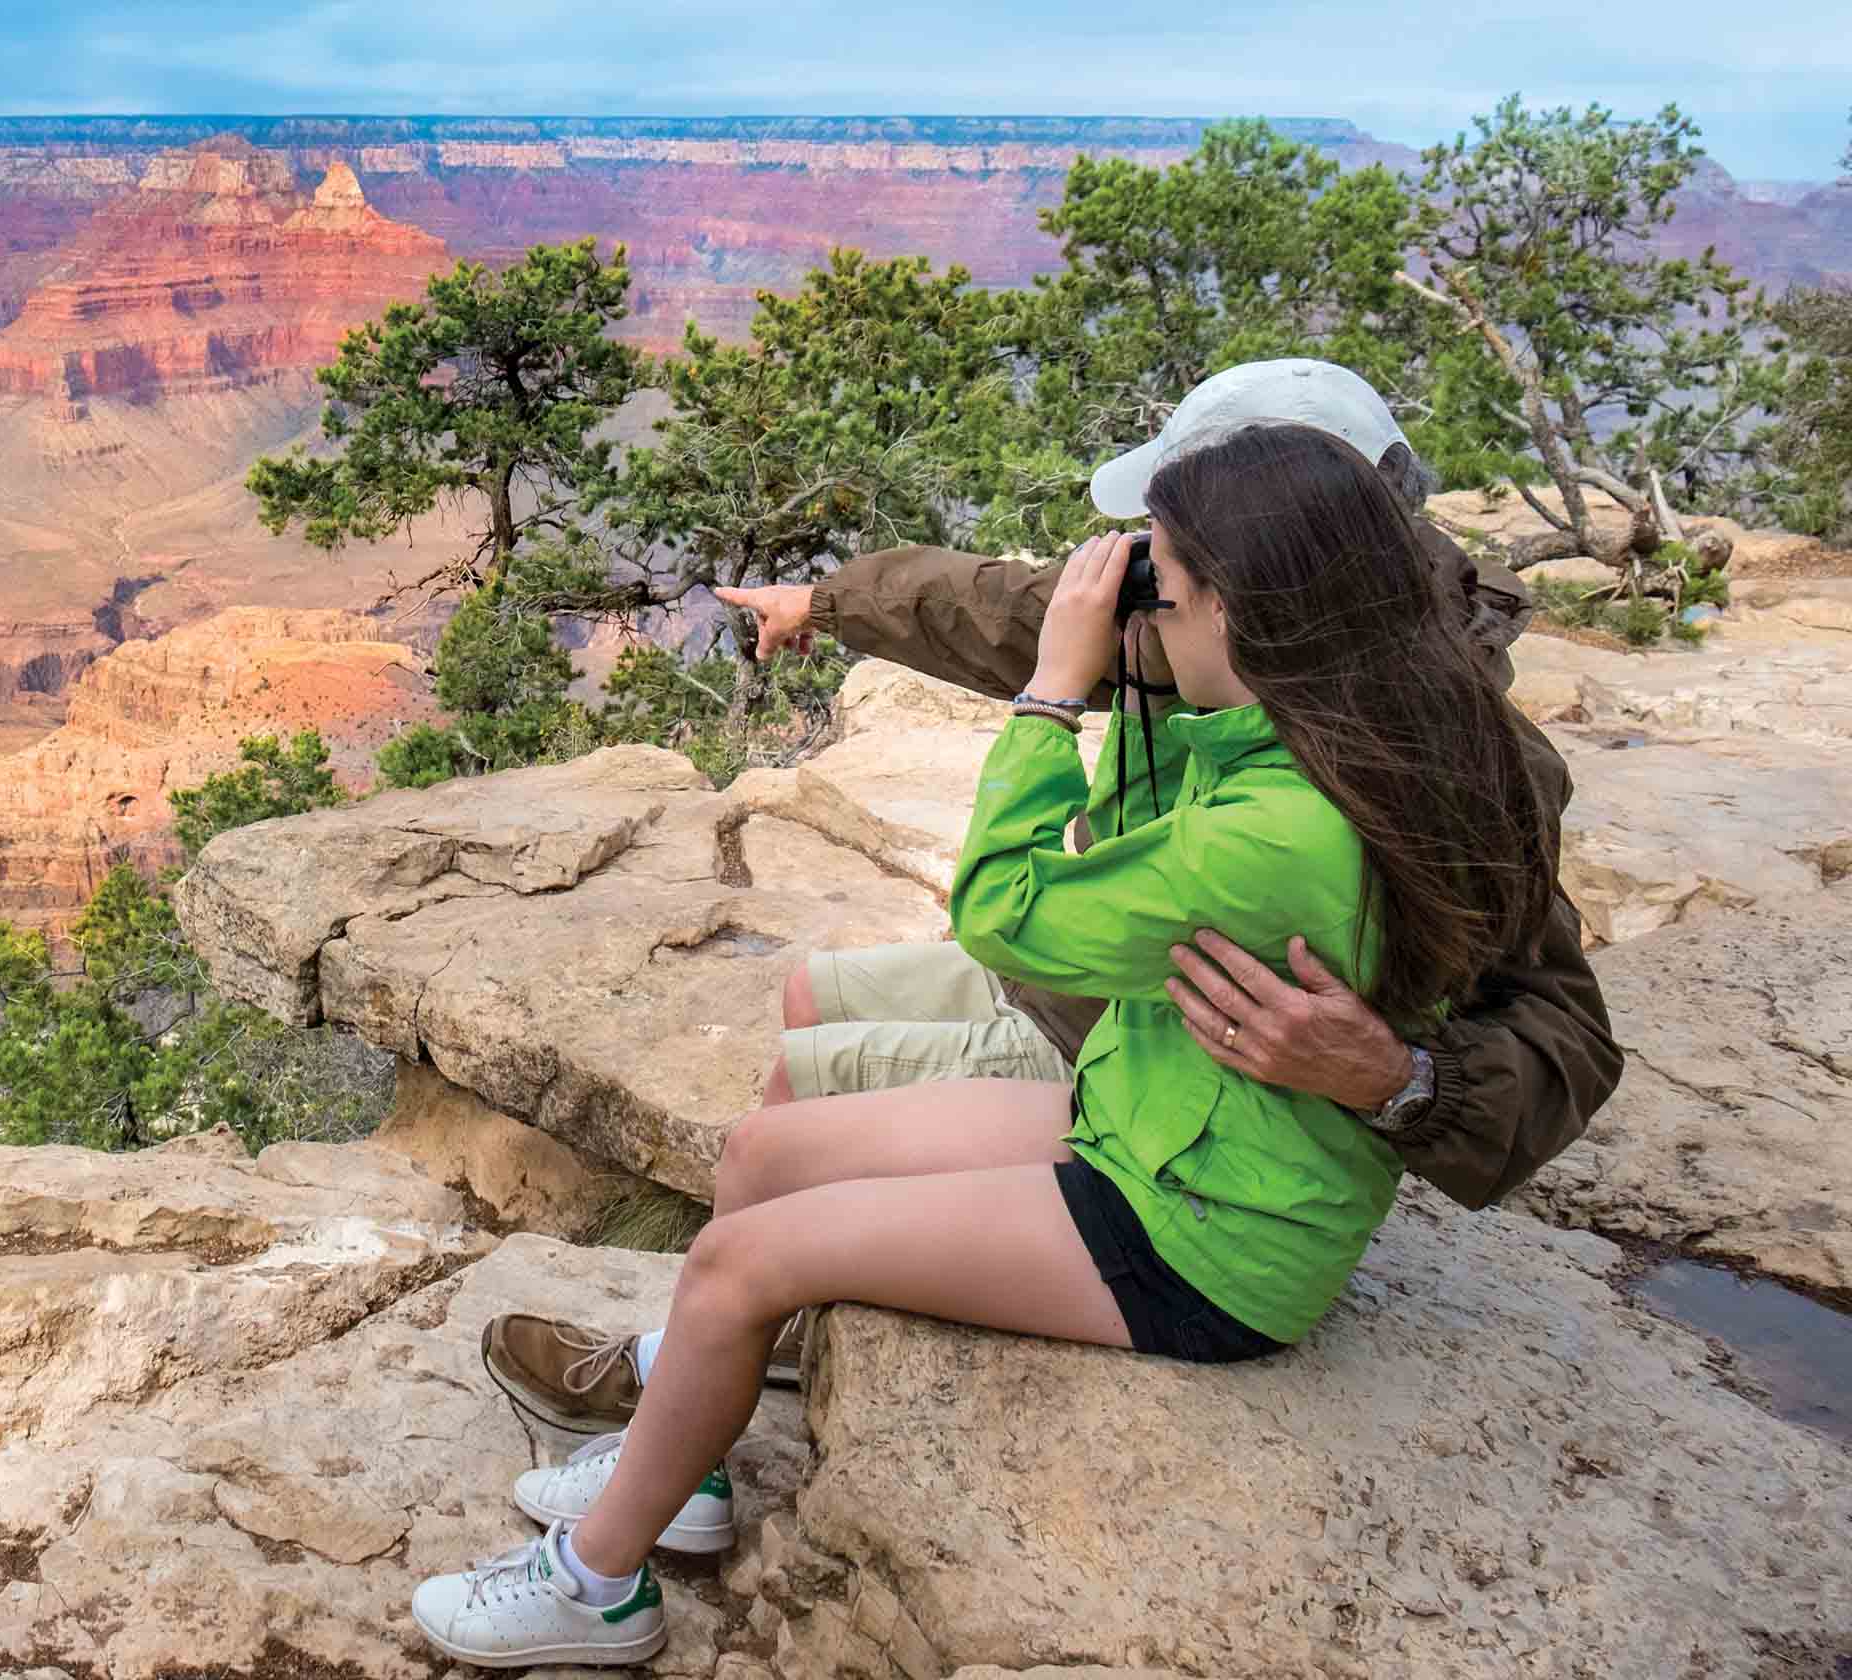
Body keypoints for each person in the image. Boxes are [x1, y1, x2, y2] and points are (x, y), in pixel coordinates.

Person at [406, 421, 1565, 1668]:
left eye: (1163, 593)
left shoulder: (1284, 828)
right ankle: (684, 1471)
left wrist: (1055, 693)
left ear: (1251, 612)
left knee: (743, 1262)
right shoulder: (1343, 725)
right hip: (1160, 1128)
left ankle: (599, 1591)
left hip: (1201, 1232)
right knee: (765, 1153)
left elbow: (1009, 916)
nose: (1147, 618)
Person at [477, 360, 1622, 1432]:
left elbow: (1564, 1029)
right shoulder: (1183, 622)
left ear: (1262, 567)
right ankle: (747, 1335)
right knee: (805, 1007)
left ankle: (706, 1347)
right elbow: (997, 605)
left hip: (1150, 1072)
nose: (1135, 570)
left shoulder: (1454, 752)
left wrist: (1397, 1079)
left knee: (799, 1112)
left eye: (1166, 556)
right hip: (1087, 983)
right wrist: (824, 602)